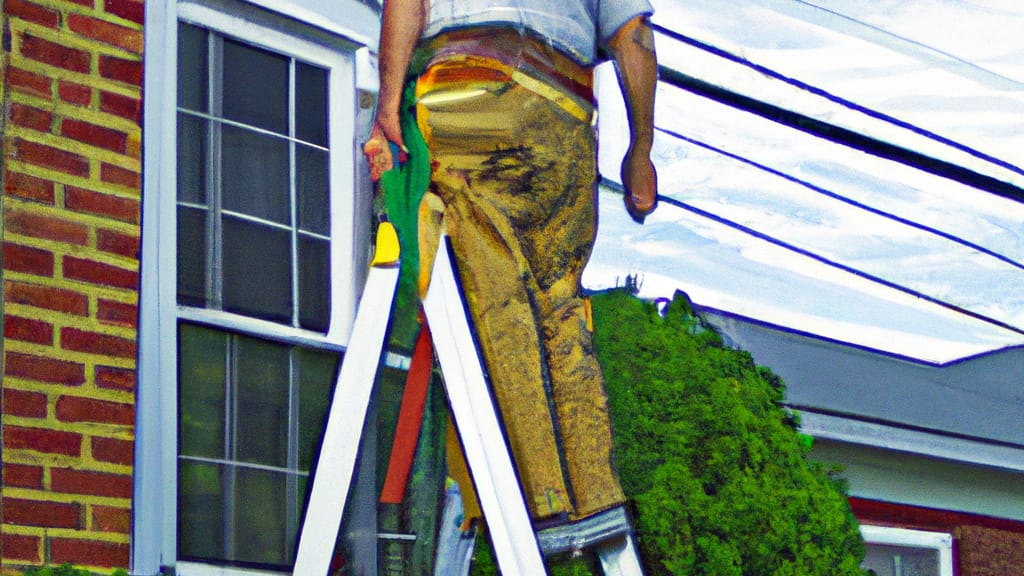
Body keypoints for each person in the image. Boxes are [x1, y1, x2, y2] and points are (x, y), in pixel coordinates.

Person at [363, 0, 659, 525]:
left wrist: (388, 109)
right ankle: (596, 493)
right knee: (560, 296)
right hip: (565, 113)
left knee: (492, 283)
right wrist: (641, 151)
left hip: (470, 86)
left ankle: (540, 502)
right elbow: (633, 39)